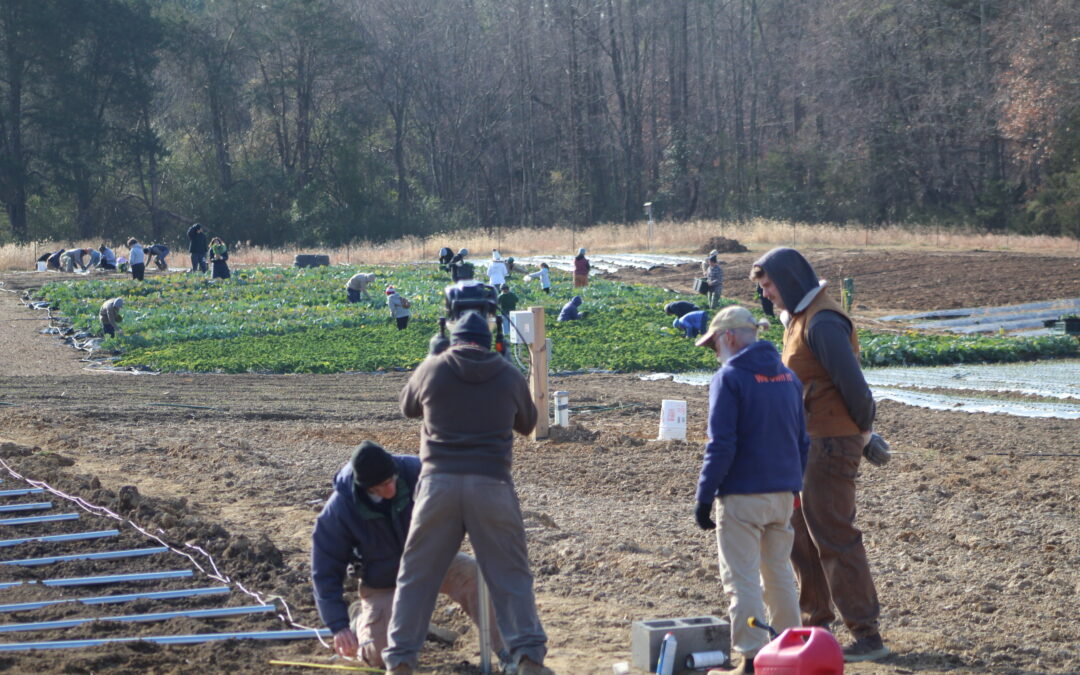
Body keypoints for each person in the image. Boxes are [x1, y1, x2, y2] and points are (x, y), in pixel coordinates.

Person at [387, 311, 549, 675]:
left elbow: (407, 407)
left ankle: (400, 660)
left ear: (453, 338)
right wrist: (506, 375)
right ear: (489, 341)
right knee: (510, 575)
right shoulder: (506, 374)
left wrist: (431, 358)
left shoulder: (434, 368)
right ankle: (527, 657)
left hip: (438, 485)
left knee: (417, 574)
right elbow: (527, 424)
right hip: (491, 483)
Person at [750, 247, 888, 663]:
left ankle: (867, 636)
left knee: (834, 535)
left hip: (829, 443)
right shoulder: (800, 318)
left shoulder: (823, 322)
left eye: (770, 285)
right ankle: (816, 623)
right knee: (801, 534)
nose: (767, 294)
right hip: (807, 442)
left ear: (789, 281)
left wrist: (863, 434)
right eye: (763, 287)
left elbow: (855, 387)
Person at [311, 441, 505, 669]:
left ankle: (508, 652)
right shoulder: (341, 510)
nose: (390, 490)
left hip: (431, 560)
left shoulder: (417, 473)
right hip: (382, 579)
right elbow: (324, 570)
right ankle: (360, 621)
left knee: (474, 576)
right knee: (383, 656)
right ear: (365, 488)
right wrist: (338, 625)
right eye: (380, 487)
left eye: (391, 480)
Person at [692, 307, 807, 675]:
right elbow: (802, 441)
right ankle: (792, 652)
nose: (715, 353)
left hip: (742, 495)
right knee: (779, 576)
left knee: (740, 578)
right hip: (782, 495)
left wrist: (704, 496)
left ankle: (751, 659)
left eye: (714, 345)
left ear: (728, 339)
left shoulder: (730, 378)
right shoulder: (788, 377)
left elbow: (721, 443)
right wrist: (795, 486)